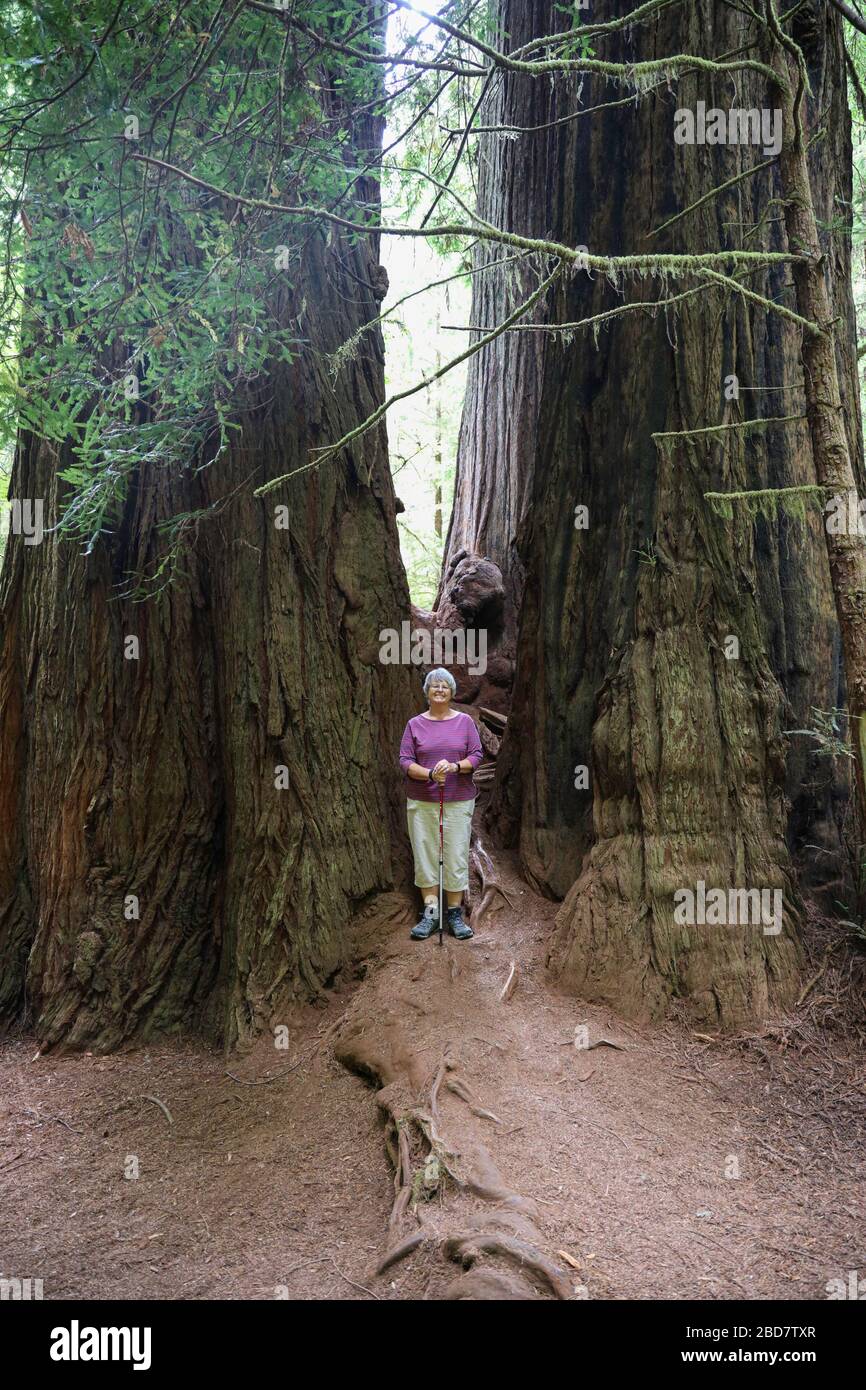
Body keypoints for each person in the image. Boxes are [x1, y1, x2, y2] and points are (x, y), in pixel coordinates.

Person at [398, 667, 483, 940]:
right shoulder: (414, 724)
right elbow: (405, 761)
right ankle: (431, 914)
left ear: (451, 692)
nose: (439, 690)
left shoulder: (465, 722)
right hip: (422, 801)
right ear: (426, 692)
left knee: (456, 853)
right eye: (434, 686)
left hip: (458, 800)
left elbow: (477, 755)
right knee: (426, 854)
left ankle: (455, 914)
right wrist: (431, 774)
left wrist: (455, 767)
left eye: (444, 686)